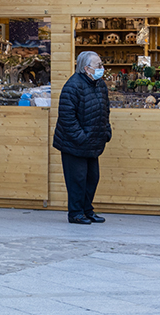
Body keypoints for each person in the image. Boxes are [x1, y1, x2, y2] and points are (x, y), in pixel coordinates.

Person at [53, 51, 112, 225]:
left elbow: (105, 110)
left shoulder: (100, 85)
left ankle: (87, 210)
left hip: (93, 141)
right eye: (98, 65)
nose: (102, 68)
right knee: (77, 179)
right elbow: (67, 116)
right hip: (75, 143)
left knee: (92, 178)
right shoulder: (73, 86)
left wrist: (106, 131)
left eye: (101, 64)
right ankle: (76, 213)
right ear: (86, 68)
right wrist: (81, 137)